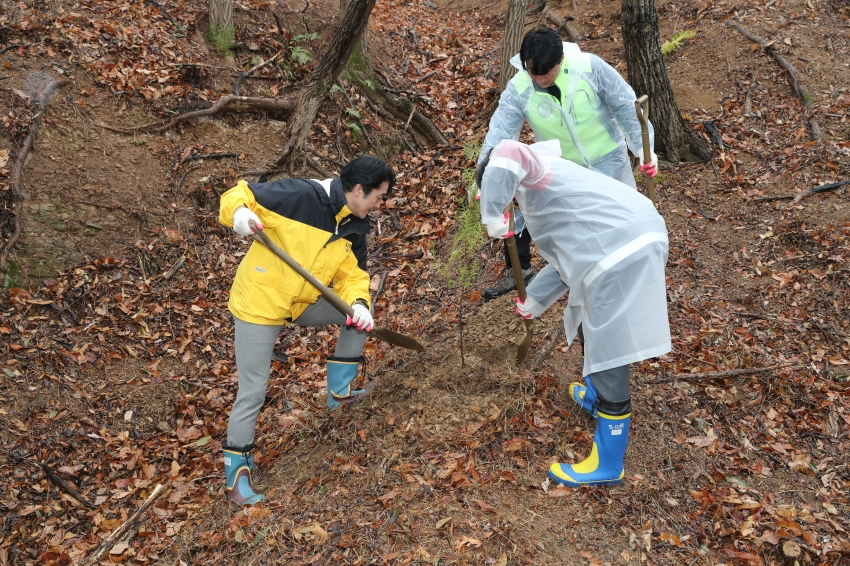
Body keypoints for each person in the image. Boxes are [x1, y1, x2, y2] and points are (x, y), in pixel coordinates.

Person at [479, 139, 670, 487]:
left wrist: (492, 214)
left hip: (622, 250)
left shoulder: (533, 168)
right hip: (616, 245)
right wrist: (533, 302)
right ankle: (597, 397)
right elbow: (567, 259)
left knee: (609, 345)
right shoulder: (546, 186)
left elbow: (506, 152)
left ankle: (608, 464)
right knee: (586, 316)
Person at [217, 155, 396, 505]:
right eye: (378, 196)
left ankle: (339, 393)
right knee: (253, 390)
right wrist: (239, 214)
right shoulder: (299, 196)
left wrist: (359, 303)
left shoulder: (354, 224)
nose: (379, 204)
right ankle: (237, 477)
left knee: (357, 314)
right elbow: (238, 193)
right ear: (358, 190)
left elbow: (353, 276)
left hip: (301, 302)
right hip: (259, 304)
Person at [476, 27, 659, 300]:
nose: (539, 79)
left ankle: (635, 275)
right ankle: (588, 285)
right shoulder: (520, 88)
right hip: (565, 169)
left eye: (545, 73)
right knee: (579, 231)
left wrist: (644, 149)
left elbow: (624, 105)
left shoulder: (590, 67)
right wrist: (486, 180)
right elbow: (500, 133)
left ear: (560, 59)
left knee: (619, 218)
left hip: (607, 156)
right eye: (532, 72)